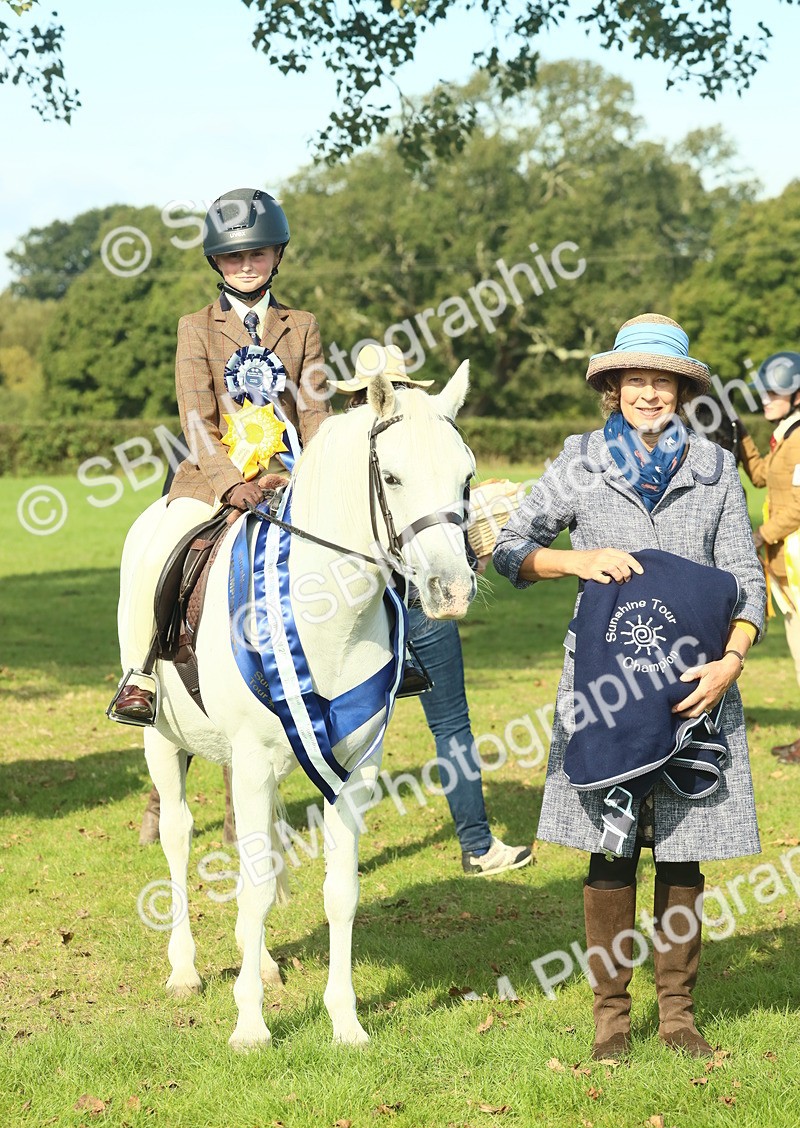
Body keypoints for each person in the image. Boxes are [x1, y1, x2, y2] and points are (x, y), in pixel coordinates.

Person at [494, 313, 765, 1058]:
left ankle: (677, 1016)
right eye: (636, 379)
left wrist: (732, 661)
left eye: (663, 381)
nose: (650, 393)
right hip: (606, 690)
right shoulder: (579, 463)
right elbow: (509, 548)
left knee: (682, 853)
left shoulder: (713, 469)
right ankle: (611, 1023)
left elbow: (747, 581)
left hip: (695, 692)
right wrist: (575, 562)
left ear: (682, 389)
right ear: (613, 387)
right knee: (610, 851)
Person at [111, 187, 331, 723]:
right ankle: (140, 674)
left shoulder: (300, 326)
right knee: (157, 549)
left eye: (257, 253)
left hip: (287, 477)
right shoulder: (195, 327)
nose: (247, 265)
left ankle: (395, 651)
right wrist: (230, 483)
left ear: (277, 255)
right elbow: (196, 420)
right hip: (210, 480)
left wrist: (319, 471)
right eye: (235, 255)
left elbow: (314, 411)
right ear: (217, 260)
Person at [333, 344, 533, 877]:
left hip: (406, 598)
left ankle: (476, 845)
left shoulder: (406, 444)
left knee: (441, 725)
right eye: (386, 391)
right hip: (368, 603)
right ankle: (471, 845)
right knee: (423, 727)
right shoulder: (343, 451)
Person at [736, 352, 800, 762]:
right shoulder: (785, 434)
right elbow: (762, 477)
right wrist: (740, 435)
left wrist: (759, 535)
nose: (765, 398)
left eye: (774, 391)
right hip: (785, 566)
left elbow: (797, 506)